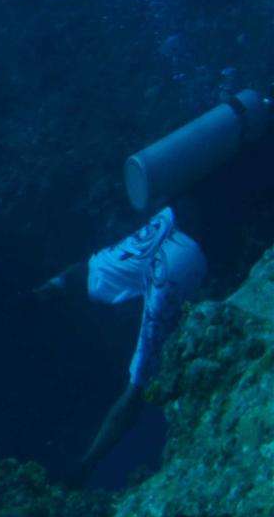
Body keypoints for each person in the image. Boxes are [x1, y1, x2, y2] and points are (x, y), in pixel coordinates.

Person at [40, 89, 271, 479]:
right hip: (187, 257)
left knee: (85, 273)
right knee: (141, 378)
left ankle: (25, 300)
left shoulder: (233, 134)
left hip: (163, 224)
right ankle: (84, 468)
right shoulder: (263, 154)